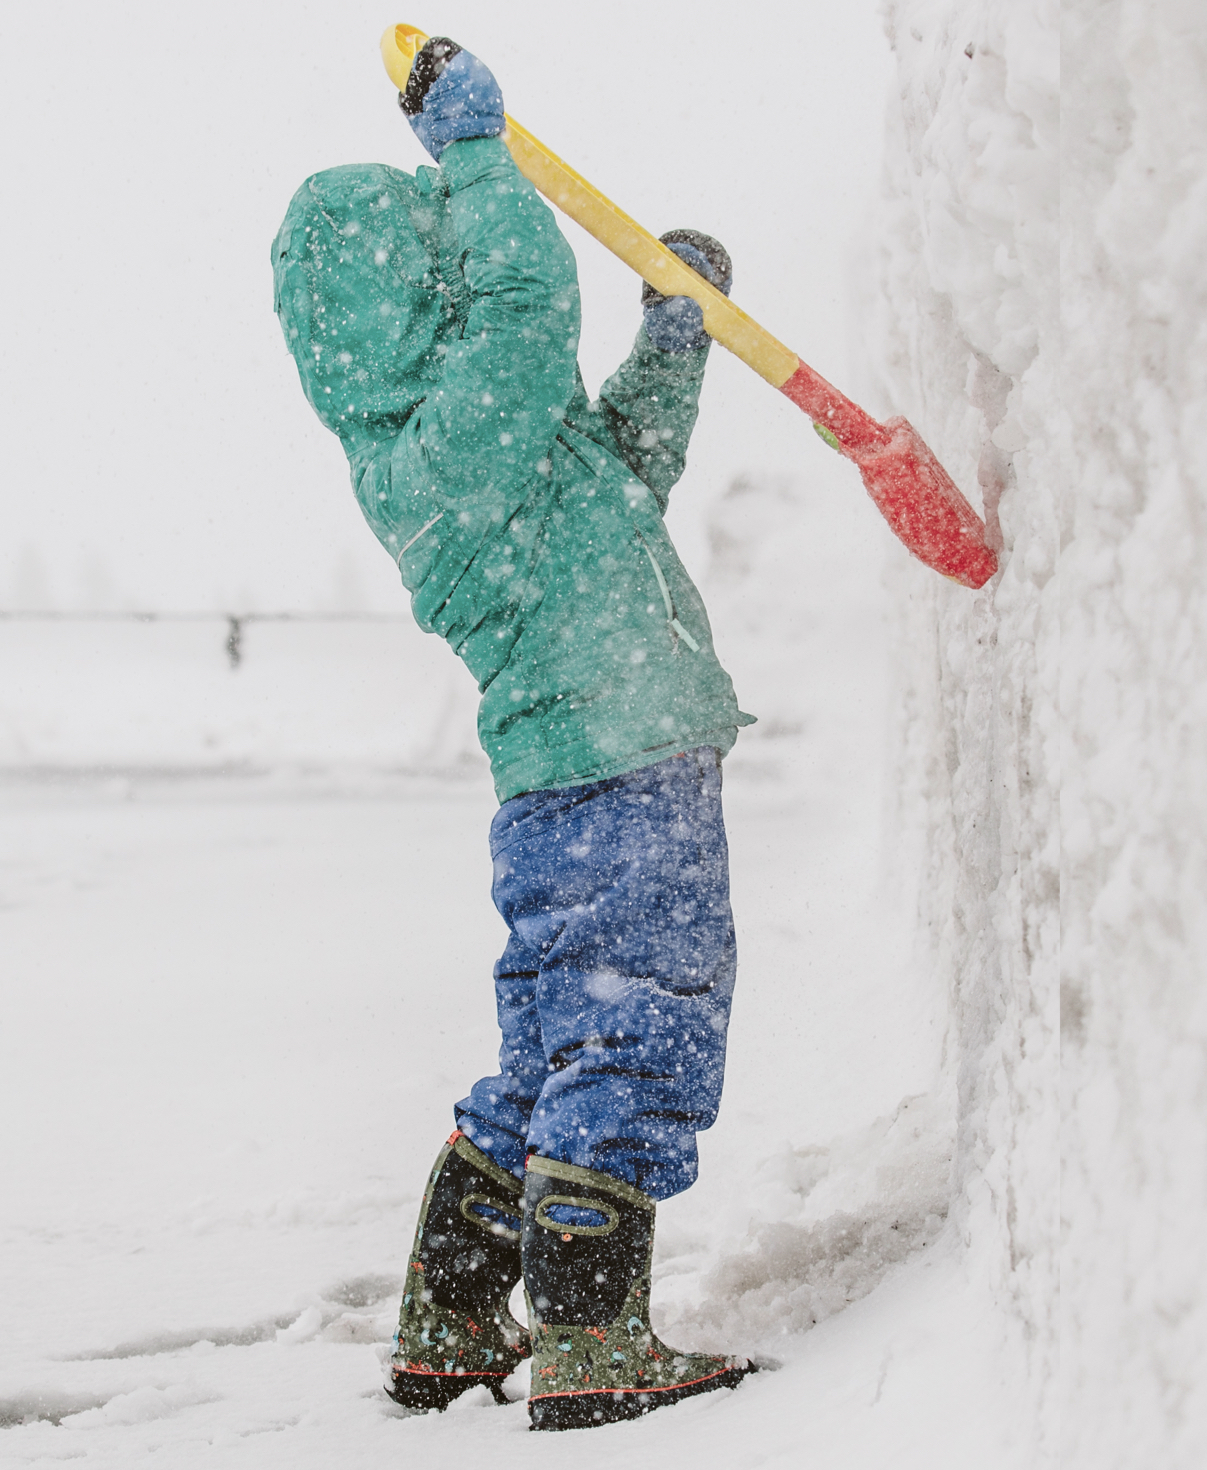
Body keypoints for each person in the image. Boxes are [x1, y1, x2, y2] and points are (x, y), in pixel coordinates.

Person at [269, 37, 757, 1432]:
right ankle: (594, 1339)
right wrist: (475, 154)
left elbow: (621, 477)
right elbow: (530, 301)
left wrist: (671, 342)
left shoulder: (489, 434)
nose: (468, 260)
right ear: (404, 304)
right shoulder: (437, 441)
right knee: (638, 1024)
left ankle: (451, 1315)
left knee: (555, 1052)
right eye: (440, 254)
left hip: (574, 783)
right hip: (616, 768)